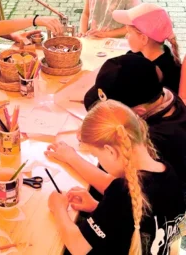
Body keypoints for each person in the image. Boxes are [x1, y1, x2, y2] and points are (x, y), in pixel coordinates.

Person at [48, 100, 184, 255]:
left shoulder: (120, 193)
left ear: (110, 151)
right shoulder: (166, 170)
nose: (99, 161)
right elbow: (144, 222)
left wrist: (58, 208)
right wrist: (98, 208)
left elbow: (78, 247)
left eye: (96, 155)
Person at [47, 53, 186, 194]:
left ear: (138, 112)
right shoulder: (163, 96)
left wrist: (72, 158)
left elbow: (121, 191)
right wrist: (97, 127)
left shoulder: (158, 140)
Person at [115, 3, 181, 94]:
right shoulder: (165, 53)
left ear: (143, 39)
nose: (126, 36)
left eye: (129, 32)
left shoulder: (153, 74)